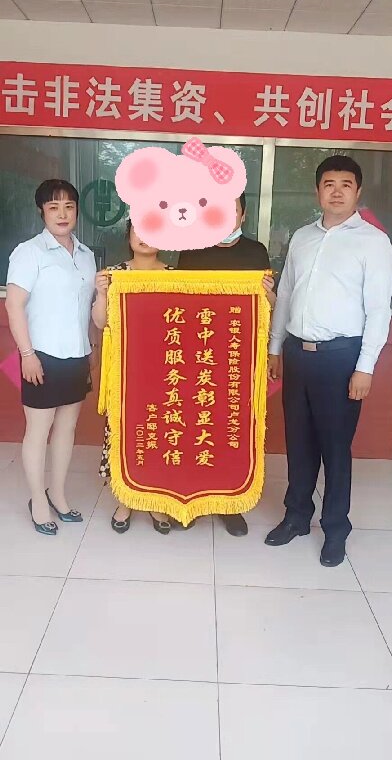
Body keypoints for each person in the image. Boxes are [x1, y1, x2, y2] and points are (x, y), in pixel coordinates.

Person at [265, 156, 392, 567]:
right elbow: (287, 294)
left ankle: (336, 529)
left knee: (335, 448)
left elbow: (378, 310)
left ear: (358, 192)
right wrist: (275, 347)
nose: (336, 192)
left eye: (345, 184)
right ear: (317, 191)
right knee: (299, 442)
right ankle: (296, 516)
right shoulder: (302, 237)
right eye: (328, 184)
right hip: (297, 354)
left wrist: (365, 367)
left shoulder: (373, 242)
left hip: (341, 358)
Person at [178, 193, 276, 536]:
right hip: (198, 356)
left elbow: (268, 306)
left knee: (232, 429)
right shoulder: (191, 251)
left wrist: (269, 295)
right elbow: (178, 301)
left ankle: (228, 503)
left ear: (243, 215)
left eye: (232, 210)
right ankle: (192, 499)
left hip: (238, 358)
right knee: (195, 427)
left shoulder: (256, 252)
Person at [5, 179, 97, 535]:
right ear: (41, 211)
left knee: (67, 428)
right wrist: (27, 354)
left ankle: (57, 494)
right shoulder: (29, 252)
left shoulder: (86, 255)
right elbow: (14, 306)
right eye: (54, 207)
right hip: (41, 355)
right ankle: (38, 500)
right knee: (38, 430)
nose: (62, 214)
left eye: (69, 206)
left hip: (77, 355)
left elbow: (86, 308)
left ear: (77, 211)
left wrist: (91, 348)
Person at [92, 220, 184, 535]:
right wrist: (101, 294)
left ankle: (156, 500)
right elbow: (101, 322)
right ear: (128, 235)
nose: (145, 238)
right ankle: (125, 500)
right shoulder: (115, 275)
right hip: (124, 371)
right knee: (125, 434)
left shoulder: (177, 277)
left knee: (159, 433)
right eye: (139, 231)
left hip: (165, 372)